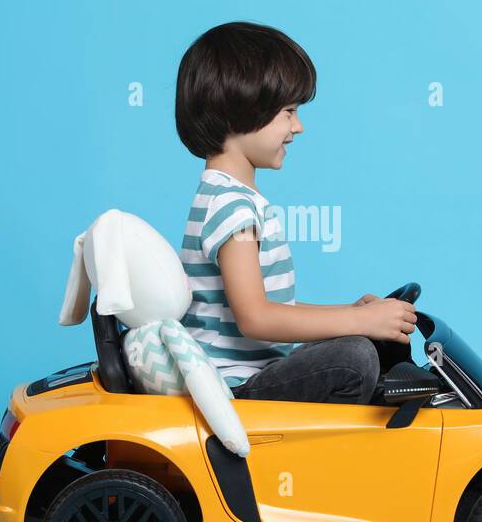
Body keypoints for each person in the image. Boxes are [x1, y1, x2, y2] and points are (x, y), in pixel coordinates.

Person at [175, 21, 417, 405]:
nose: (298, 127)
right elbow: (255, 317)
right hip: (236, 387)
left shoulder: (229, 196)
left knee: (357, 343)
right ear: (241, 110)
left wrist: (349, 313)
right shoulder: (232, 207)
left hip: (254, 371)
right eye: (288, 111)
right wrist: (358, 323)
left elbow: (274, 307)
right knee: (354, 357)